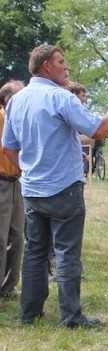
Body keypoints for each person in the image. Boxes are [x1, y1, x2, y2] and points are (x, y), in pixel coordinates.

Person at [1, 44, 108, 328]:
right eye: (61, 62)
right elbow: (99, 129)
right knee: (67, 254)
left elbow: (8, 147)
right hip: (64, 188)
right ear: (47, 67)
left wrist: (28, 168)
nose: (66, 67)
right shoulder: (61, 98)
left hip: (32, 189)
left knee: (35, 253)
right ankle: (71, 316)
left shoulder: (17, 100)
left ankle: (29, 314)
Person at [0, 80, 25, 305]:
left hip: (16, 182)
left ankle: (9, 287)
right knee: (0, 238)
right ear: (8, 100)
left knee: (17, 237)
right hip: (0, 183)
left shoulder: (18, 120)